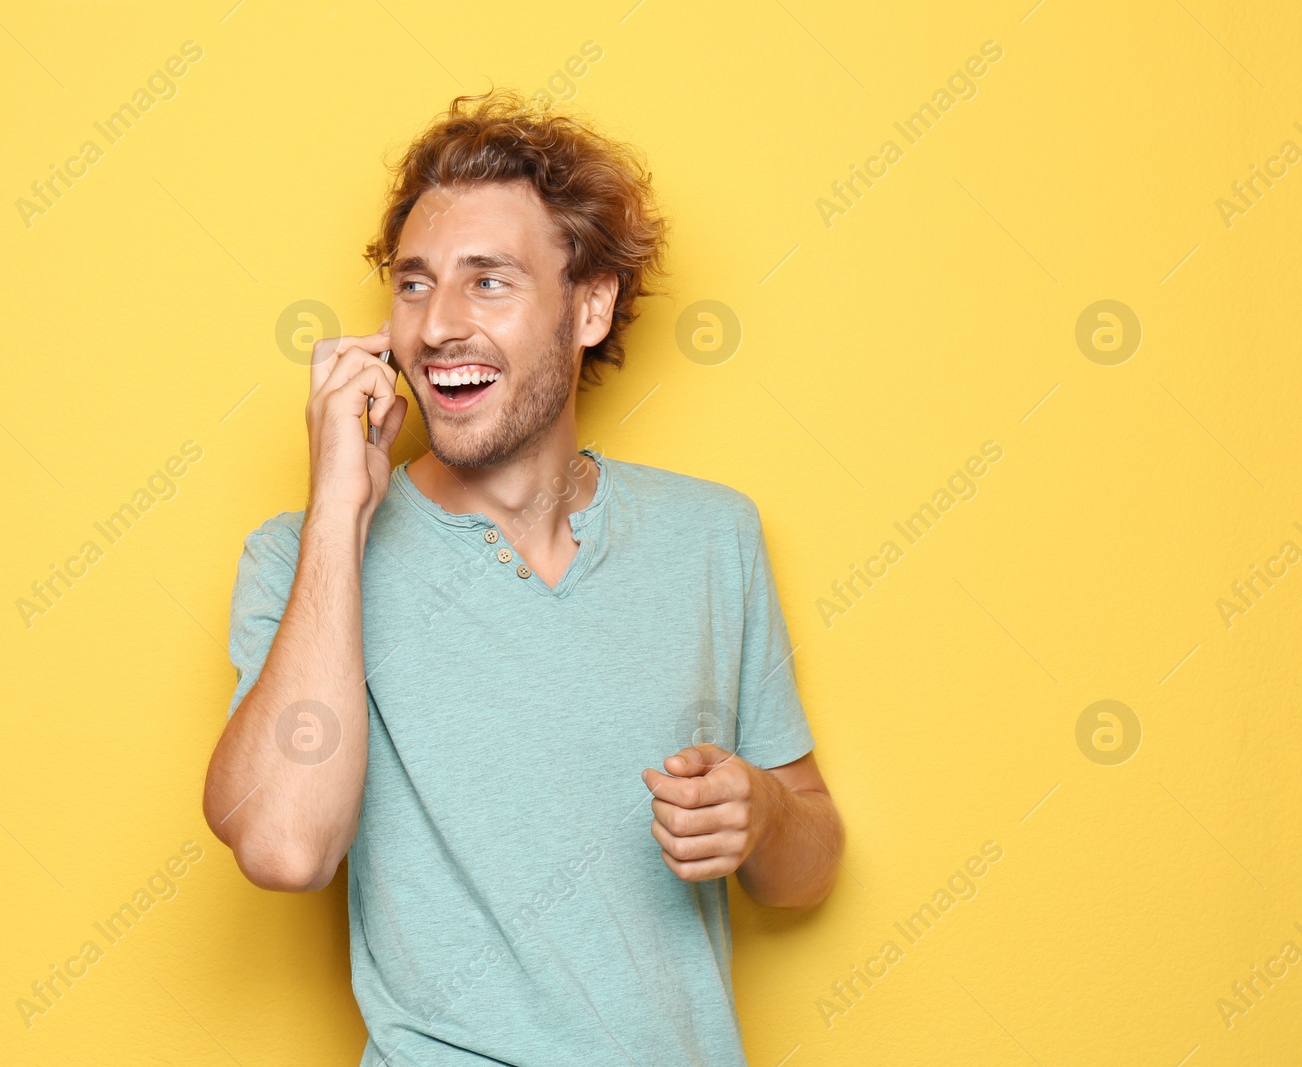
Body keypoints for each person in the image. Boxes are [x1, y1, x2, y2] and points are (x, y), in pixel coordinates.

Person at [203, 88, 843, 1066]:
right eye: (413, 285)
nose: (437, 326)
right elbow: (286, 847)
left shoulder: (712, 536)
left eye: (487, 281)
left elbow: (806, 871)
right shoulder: (299, 559)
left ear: (588, 307)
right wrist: (340, 507)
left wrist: (760, 811)